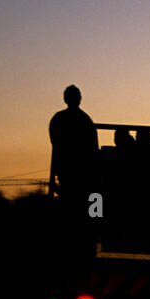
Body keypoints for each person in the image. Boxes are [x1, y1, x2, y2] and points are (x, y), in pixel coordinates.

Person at [48, 85, 98, 215]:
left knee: (70, 205)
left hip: (66, 169)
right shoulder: (85, 120)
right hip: (81, 171)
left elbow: (56, 143)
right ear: (79, 99)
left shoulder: (58, 119)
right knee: (84, 206)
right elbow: (93, 147)